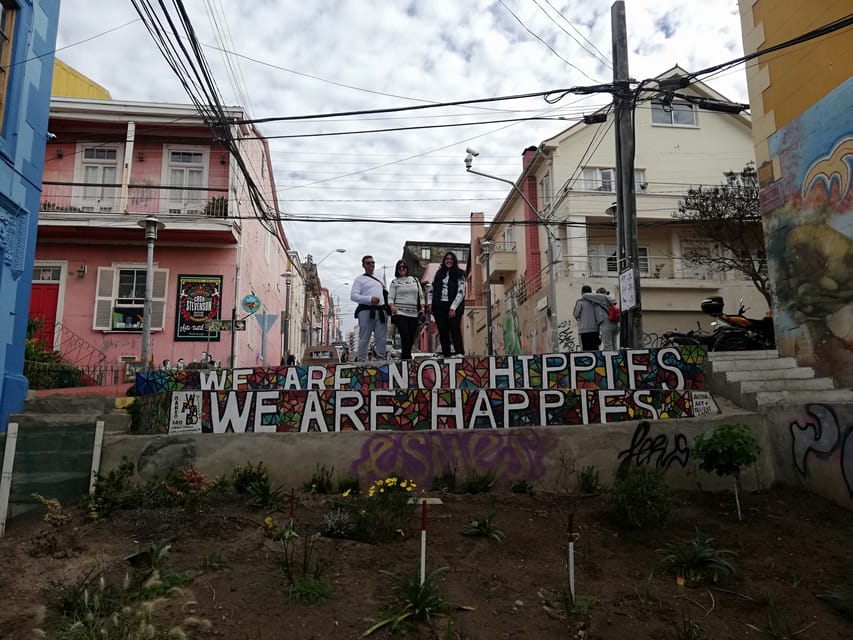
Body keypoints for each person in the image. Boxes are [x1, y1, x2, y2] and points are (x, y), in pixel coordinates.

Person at [351, 255, 388, 361]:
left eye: (373, 262)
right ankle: (361, 360)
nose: (371, 264)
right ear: (363, 265)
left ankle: (381, 359)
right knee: (364, 337)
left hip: (381, 311)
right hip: (366, 311)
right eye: (368, 263)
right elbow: (353, 296)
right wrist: (369, 299)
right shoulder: (359, 279)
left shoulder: (380, 279)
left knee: (381, 338)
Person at [428, 251, 466, 357]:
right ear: (444, 261)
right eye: (447, 259)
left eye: (451, 259)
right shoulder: (438, 273)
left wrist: (453, 307)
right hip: (439, 306)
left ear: (454, 261)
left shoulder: (460, 274)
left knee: (454, 328)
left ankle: (459, 352)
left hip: (454, 306)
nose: (449, 261)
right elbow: (431, 289)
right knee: (443, 331)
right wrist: (430, 303)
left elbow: (461, 292)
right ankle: (446, 354)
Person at [389, 259, 426, 360]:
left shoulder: (415, 280)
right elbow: (390, 297)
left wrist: (422, 308)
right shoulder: (394, 282)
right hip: (400, 313)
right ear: (397, 269)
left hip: (413, 314)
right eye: (399, 267)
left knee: (411, 338)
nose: (402, 269)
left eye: (403, 267)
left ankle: (405, 357)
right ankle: (407, 360)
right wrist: (392, 306)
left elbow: (421, 295)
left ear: (407, 268)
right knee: (405, 337)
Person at [573, 284, 609, 350]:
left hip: (584, 330)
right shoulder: (595, 302)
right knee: (595, 349)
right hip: (595, 330)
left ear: (582, 292)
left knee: (586, 350)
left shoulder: (580, 302)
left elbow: (576, 314)